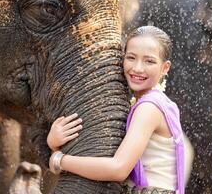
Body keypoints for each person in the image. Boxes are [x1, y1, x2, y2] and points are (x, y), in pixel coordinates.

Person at [47, 26, 185, 194]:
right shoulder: (157, 103)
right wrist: (54, 144)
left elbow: (118, 169)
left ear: (165, 67)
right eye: (131, 58)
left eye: (149, 61)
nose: (137, 68)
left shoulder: (149, 108)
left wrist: (59, 159)